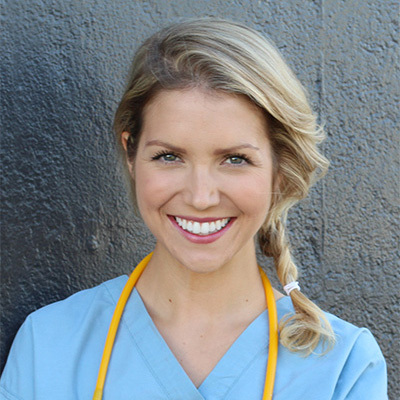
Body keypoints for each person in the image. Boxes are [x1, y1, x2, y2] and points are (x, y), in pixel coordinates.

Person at [0, 18, 387, 400]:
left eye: (235, 159)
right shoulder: (48, 346)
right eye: (169, 156)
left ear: (279, 170)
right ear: (131, 154)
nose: (201, 197)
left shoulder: (341, 368)